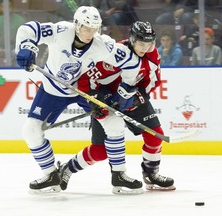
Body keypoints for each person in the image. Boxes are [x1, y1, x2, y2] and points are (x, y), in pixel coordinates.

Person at [15, 6, 143, 194]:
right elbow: (27, 29)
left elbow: (132, 62)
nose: (90, 33)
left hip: (85, 91)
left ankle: (119, 175)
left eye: (95, 28)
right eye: (86, 28)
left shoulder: (102, 45)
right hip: (53, 90)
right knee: (31, 130)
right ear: (76, 24)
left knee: (115, 124)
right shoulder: (60, 31)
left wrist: (125, 90)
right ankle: (51, 174)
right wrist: (25, 47)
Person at [57, 21, 175, 194]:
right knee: (100, 151)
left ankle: (151, 174)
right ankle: (67, 169)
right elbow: (85, 78)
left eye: (149, 43)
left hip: (132, 96)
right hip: (106, 99)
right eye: (141, 43)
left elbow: (153, 80)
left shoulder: (152, 54)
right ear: (132, 40)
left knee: (155, 137)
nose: (145, 47)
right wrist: (94, 99)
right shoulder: (115, 54)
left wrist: (138, 98)